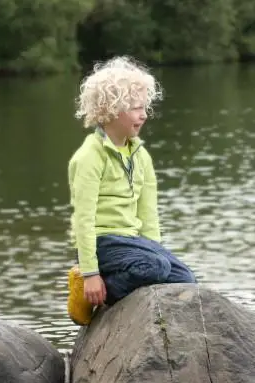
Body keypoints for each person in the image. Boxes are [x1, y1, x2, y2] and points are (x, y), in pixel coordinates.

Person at [66, 56, 196, 326]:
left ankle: (124, 282)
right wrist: (91, 272)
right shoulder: (89, 156)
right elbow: (84, 219)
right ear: (111, 110)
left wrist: (156, 250)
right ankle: (94, 290)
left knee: (186, 280)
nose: (144, 114)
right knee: (156, 267)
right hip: (102, 243)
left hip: (133, 244)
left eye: (144, 106)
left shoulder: (140, 155)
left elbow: (148, 215)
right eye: (136, 108)